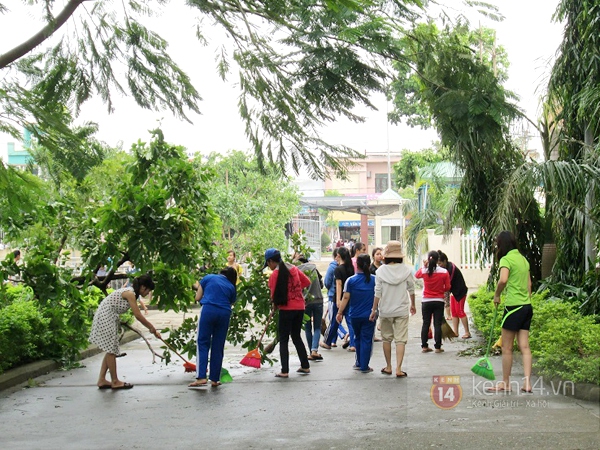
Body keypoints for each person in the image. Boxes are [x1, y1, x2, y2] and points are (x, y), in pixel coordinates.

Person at [89, 274, 161, 389]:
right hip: (106, 316)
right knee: (111, 350)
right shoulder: (130, 293)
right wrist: (151, 328)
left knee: (110, 349)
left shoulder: (132, 293)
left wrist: (151, 328)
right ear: (143, 287)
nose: (147, 294)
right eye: (148, 291)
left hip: (109, 316)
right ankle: (115, 381)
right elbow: (137, 315)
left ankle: (102, 379)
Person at [487, 231, 533, 393]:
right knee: (524, 346)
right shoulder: (523, 259)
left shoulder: (506, 260)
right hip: (527, 307)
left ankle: (505, 383)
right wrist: (525, 299)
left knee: (507, 348)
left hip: (513, 307)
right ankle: (527, 383)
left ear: (501, 245)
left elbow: (503, 280)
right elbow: (529, 285)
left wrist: (497, 294)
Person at [370, 241, 415, 378]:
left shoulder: (380, 271)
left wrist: (373, 310)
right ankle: (399, 369)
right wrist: (413, 305)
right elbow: (411, 289)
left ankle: (388, 366)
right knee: (400, 340)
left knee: (386, 339)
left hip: (385, 310)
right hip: (401, 309)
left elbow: (377, 293)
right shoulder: (406, 270)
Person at [265, 248, 311, 378]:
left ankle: (284, 370)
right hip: (300, 307)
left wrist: (275, 307)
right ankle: (305, 366)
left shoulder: (275, 275)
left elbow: (273, 295)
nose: (269, 266)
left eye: (268, 264)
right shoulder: (294, 269)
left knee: (284, 339)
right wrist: (295, 291)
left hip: (286, 309)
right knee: (296, 337)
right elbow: (307, 282)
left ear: (271, 261)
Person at [188, 267, 238, 388]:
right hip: (225, 313)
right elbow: (231, 303)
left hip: (208, 310)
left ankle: (201, 377)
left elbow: (197, 298)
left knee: (203, 342)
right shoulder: (231, 287)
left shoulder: (208, 278)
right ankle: (215, 379)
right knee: (218, 345)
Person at [337, 254, 376, 373]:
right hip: (369, 315)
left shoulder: (351, 280)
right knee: (366, 339)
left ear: (356, 265)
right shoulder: (374, 280)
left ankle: (359, 363)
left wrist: (339, 312)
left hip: (354, 315)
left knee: (357, 337)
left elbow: (345, 298)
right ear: (369, 265)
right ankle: (364, 366)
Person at [415, 250, 450, 353]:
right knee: (437, 324)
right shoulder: (444, 272)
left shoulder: (425, 271)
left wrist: (423, 266)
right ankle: (438, 347)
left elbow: (416, 275)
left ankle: (424, 346)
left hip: (426, 301)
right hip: (439, 300)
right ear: (437, 259)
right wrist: (440, 291)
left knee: (426, 323)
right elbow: (448, 287)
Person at [296, 256, 325, 361]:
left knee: (307, 328)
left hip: (305, 302)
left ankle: (310, 352)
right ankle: (314, 350)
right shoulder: (314, 268)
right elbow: (321, 285)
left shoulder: (296, 271)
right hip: (318, 300)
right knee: (317, 327)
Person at [437, 250, 471, 339]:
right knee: (454, 313)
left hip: (460, 292)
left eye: (440, 263)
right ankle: (455, 332)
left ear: (445, 261)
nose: (439, 265)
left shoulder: (451, 268)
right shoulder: (445, 268)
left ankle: (467, 332)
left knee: (460, 312)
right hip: (454, 293)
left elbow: (448, 282)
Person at [322, 249, 348, 349]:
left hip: (334, 296)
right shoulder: (347, 267)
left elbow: (327, 282)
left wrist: (335, 296)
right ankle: (333, 341)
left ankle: (344, 334)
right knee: (340, 318)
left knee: (334, 319)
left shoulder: (333, 267)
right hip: (345, 296)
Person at [334, 246, 356, 351]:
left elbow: (339, 285)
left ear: (338, 256)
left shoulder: (338, 269)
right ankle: (353, 343)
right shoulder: (350, 268)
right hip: (351, 296)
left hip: (343, 297)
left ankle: (350, 342)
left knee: (338, 319)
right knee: (350, 320)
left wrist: (338, 300)